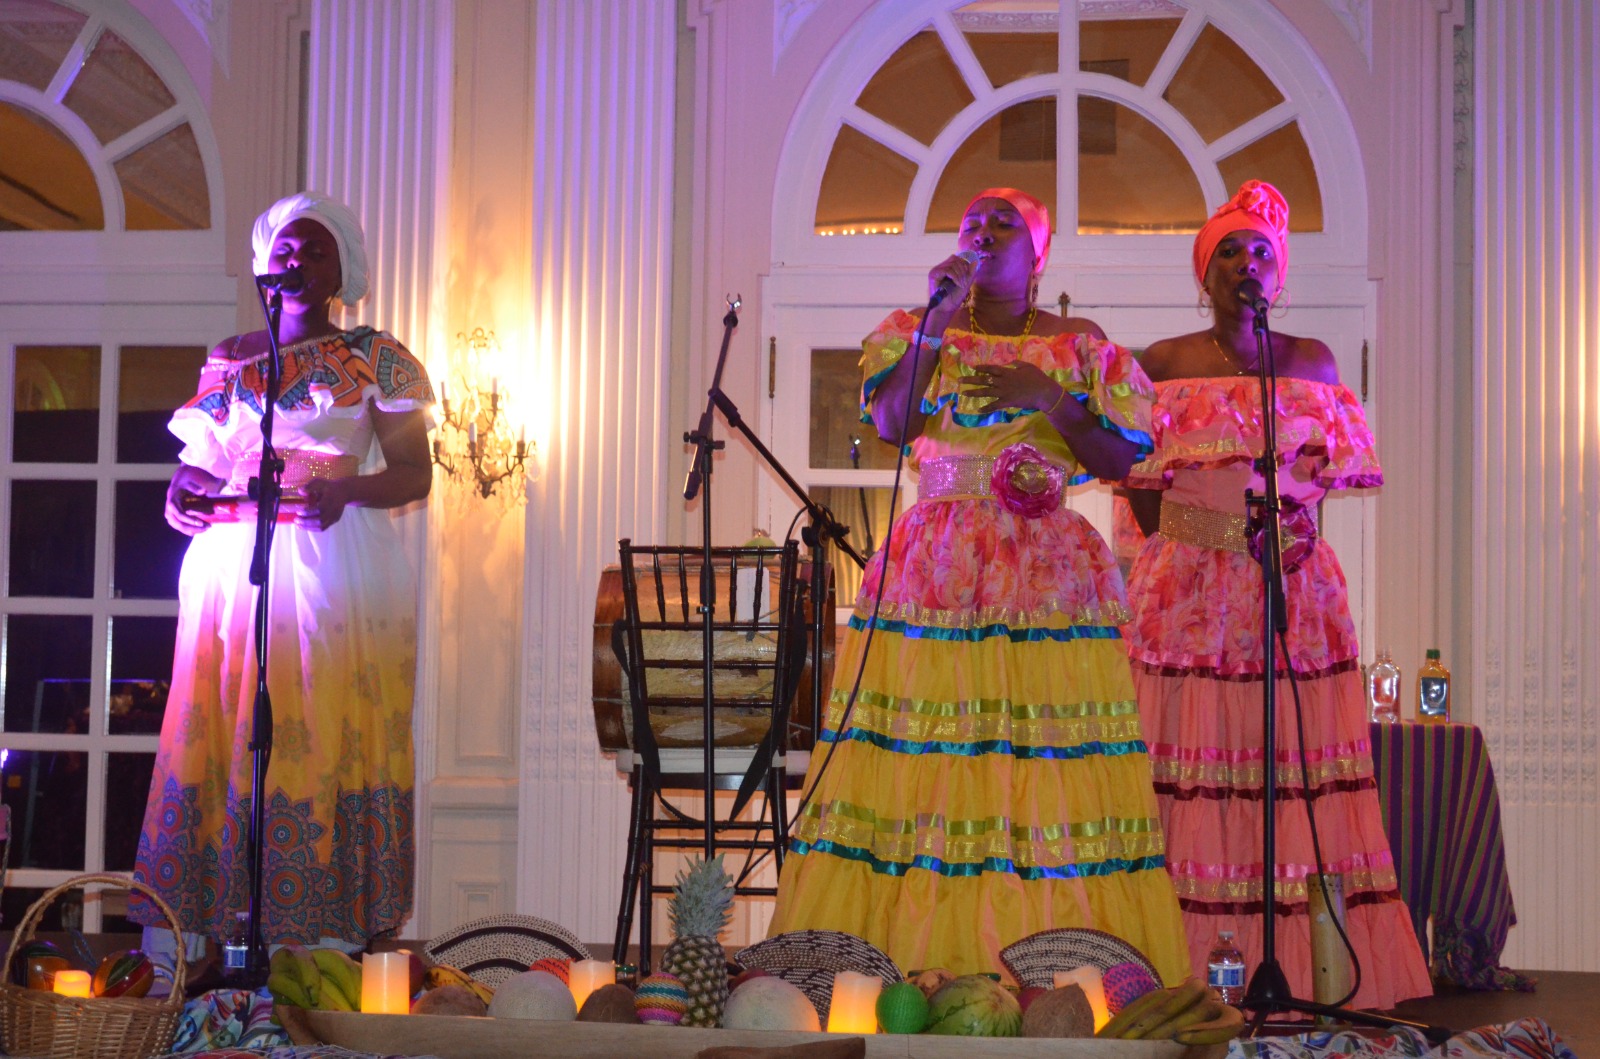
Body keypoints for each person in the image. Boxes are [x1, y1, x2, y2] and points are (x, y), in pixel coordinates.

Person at [770, 188, 1189, 984]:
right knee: (931, 754)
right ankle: (906, 965)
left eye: (1006, 225)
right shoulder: (920, 329)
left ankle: (1051, 968)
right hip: (938, 571)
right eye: (972, 222)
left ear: (1038, 257)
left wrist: (1052, 400)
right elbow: (893, 423)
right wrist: (938, 317)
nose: (985, 232)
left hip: (1044, 577)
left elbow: (1117, 460)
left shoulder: (1078, 344)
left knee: (1035, 765)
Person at [1119, 180, 1431, 1007]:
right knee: (1191, 775)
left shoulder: (1310, 363)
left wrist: (1277, 544)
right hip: (1188, 595)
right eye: (1229, 249)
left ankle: (1300, 965)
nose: (1246, 262)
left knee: (1282, 776)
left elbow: (1319, 483)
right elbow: (1140, 490)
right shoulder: (1164, 363)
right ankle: (1182, 975)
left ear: (1278, 272)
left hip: (1289, 591)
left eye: (1261, 250)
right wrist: (1204, 541)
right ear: (1205, 270)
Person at [130, 192, 433, 961]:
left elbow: (413, 473)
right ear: (267, 262)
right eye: (287, 250)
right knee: (225, 725)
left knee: (315, 727)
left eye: (316, 251)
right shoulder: (231, 356)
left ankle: (317, 939)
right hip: (236, 566)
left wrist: (344, 489)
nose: (299, 262)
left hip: (333, 566)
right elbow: (199, 463)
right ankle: (211, 934)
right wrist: (179, 492)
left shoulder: (376, 356)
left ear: (342, 269)